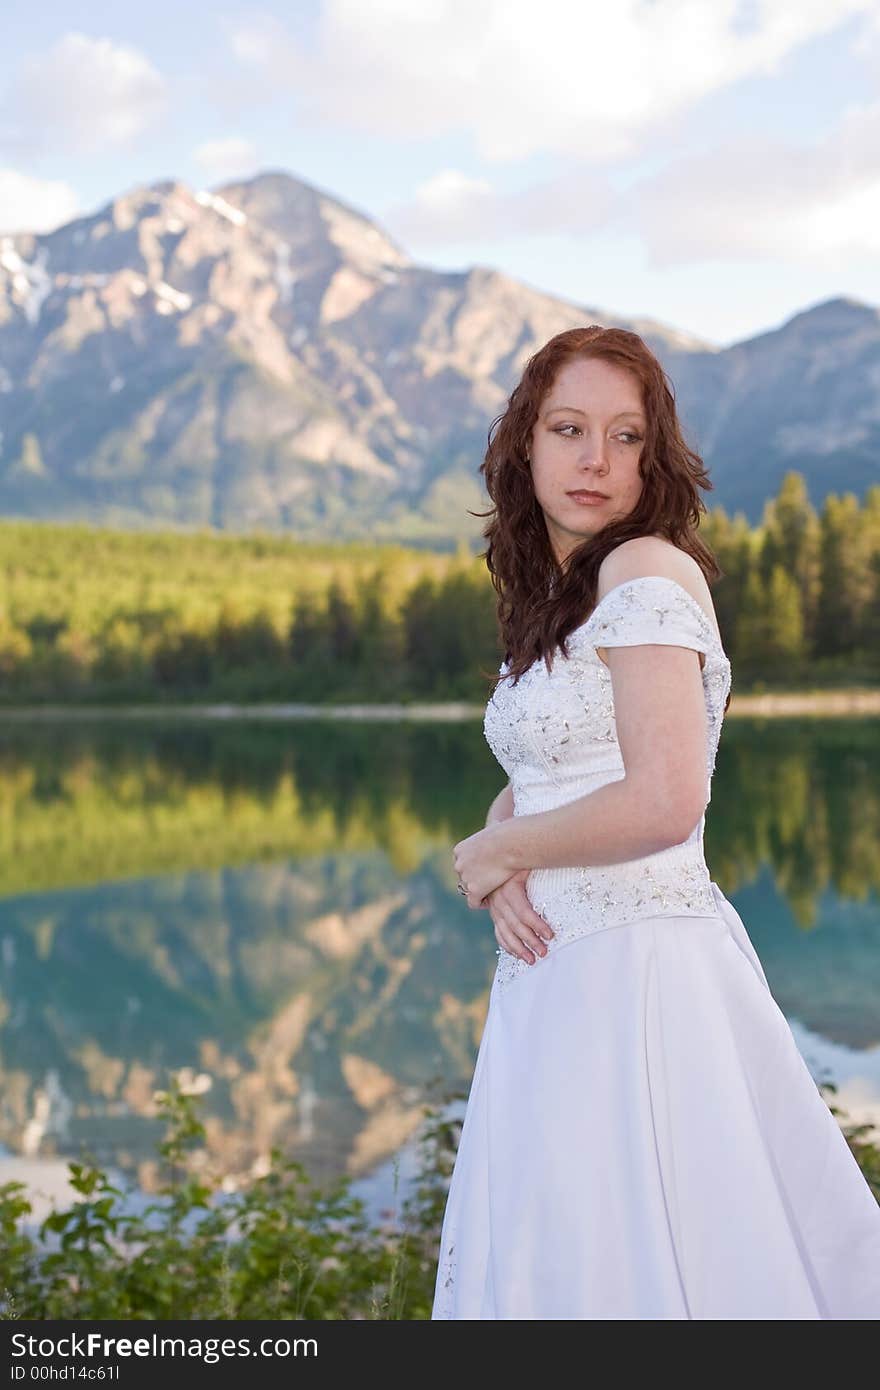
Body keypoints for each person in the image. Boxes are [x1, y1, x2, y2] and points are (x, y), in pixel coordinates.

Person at [431, 325, 880, 1320]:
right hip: (558, 979)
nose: (596, 458)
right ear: (525, 446)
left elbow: (666, 795)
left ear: (654, 456)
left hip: (637, 981)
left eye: (626, 436)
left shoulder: (640, 569)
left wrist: (502, 847)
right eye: (569, 427)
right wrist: (505, 852)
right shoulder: (563, 594)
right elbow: (548, 772)